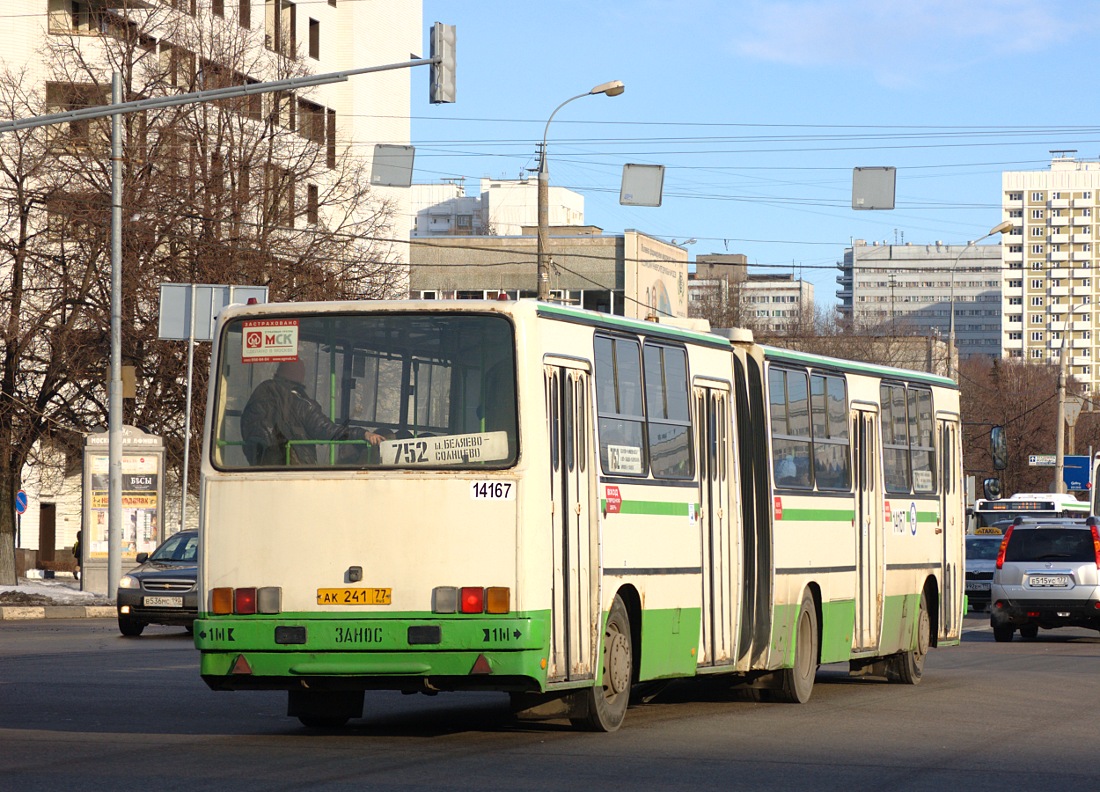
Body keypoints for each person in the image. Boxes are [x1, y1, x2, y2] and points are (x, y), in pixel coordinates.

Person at [240, 359, 385, 465]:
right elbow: (330, 432)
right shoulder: (302, 404)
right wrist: (363, 434)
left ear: (277, 374)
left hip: (259, 468)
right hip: (295, 472)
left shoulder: (259, 397)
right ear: (300, 379)